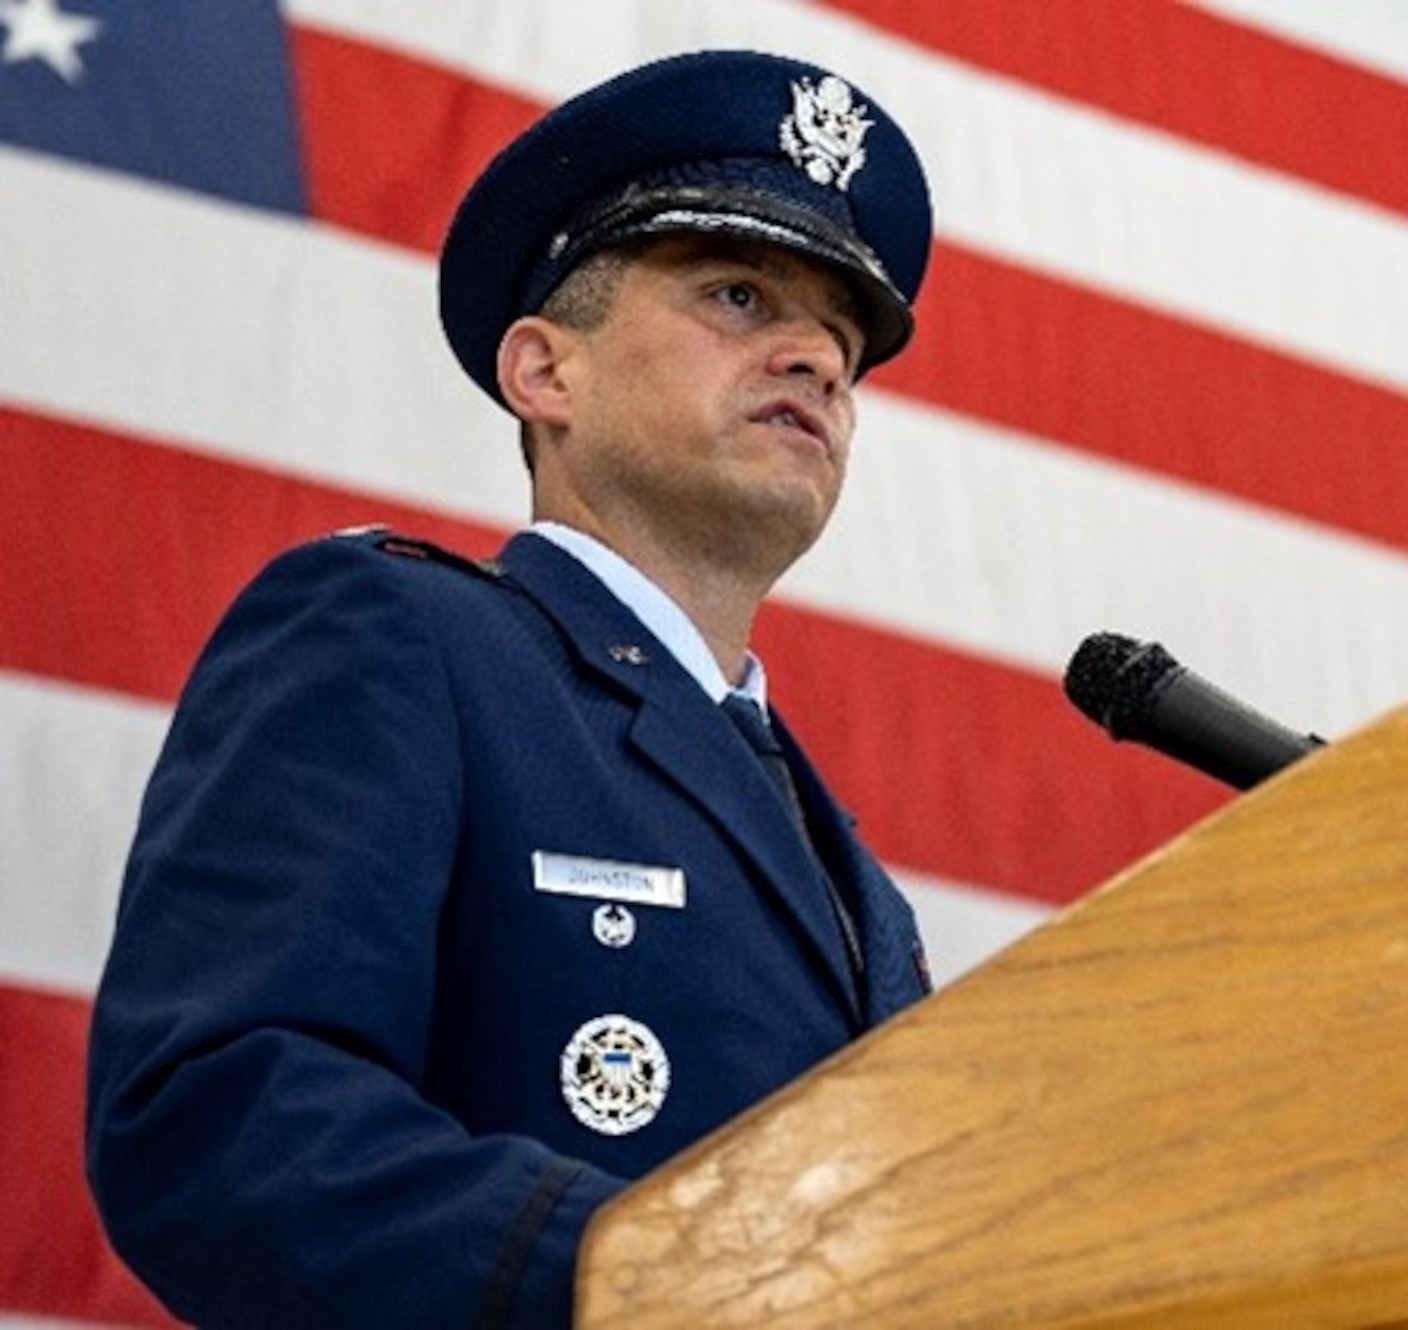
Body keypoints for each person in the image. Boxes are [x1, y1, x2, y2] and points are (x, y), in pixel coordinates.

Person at [85, 49, 934, 1329]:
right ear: (546, 373)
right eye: (742, 294)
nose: (816, 354)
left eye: (842, 339)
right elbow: (218, 1116)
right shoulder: (396, 639)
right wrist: (648, 1274)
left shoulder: (853, 880)